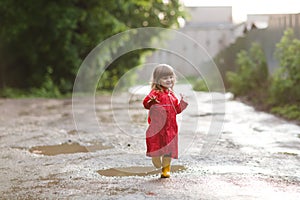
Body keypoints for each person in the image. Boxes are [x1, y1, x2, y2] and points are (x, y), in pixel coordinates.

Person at [143, 64, 188, 178]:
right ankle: (156, 160)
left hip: (171, 129)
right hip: (157, 129)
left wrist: (182, 103)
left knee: (169, 150)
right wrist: (151, 101)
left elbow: (177, 110)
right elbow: (146, 104)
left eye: (170, 77)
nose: (169, 80)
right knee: (157, 149)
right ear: (158, 80)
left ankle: (166, 170)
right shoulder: (155, 93)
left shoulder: (172, 95)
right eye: (165, 78)